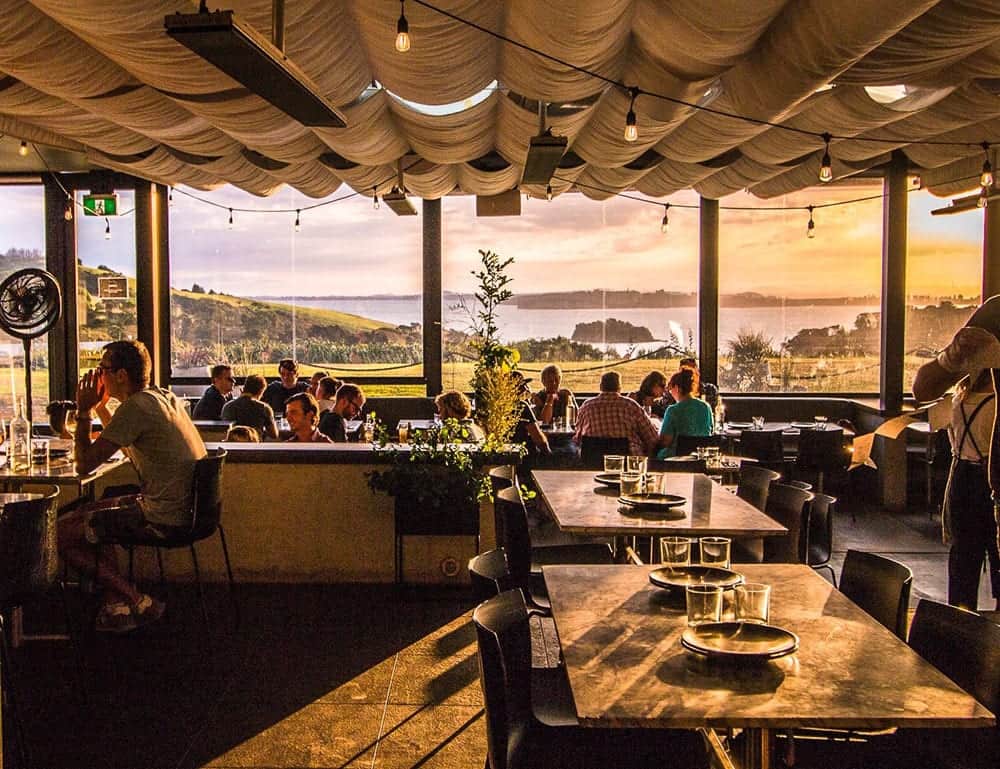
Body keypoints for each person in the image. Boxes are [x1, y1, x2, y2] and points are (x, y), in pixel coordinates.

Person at [58, 340, 206, 632]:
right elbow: (129, 449)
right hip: (190, 511)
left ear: (121, 375)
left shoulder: (135, 408)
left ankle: (136, 599)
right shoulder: (162, 397)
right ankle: (117, 605)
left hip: (163, 517)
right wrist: (102, 408)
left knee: (60, 535)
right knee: (95, 510)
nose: (99, 375)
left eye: (104, 369)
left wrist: (84, 410)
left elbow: (84, 465)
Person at [914, 311, 1000, 611]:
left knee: (963, 564)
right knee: (967, 562)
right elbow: (923, 388)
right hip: (976, 478)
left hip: (966, 476)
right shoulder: (993, 317)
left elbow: (922, 391)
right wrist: (954, 356)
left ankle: (962, 633)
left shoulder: (962, 397)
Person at [574, 371, 658, 457]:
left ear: (601, 387)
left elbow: (578, 438)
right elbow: (652, 438)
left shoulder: (586, 406)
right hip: (627, 462)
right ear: (619, 388)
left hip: (592, 460)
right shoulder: (630, 405)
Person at [656, 368, 714, 458]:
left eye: (671, 389)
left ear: (677, 388)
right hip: (700, 458)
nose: (670, 393)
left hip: (676, 460)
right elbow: (710, 432)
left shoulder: (673, 410)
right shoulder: (706, 407)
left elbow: (665, 442)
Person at [221, 373, 278, 440]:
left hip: (233, 446)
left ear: (245, 387)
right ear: (261, 391)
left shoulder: (227, 407)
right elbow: (274, 434)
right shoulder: (264, 408)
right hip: (255, 446)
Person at [511, 372, 551, 459]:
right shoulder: (521, 406)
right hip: (524, 456)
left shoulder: (499, 408)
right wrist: (549, 455)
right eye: (522, 387)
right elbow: (539, 440)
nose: (526, 389)